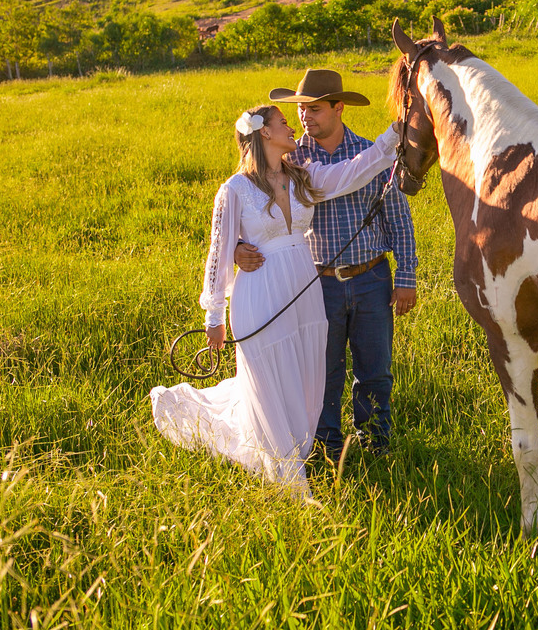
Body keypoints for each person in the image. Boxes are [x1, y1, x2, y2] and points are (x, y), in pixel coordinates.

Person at [150, 102, 400, 499]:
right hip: (260, 292)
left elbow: (354, 171)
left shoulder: (303, 176)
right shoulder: (234, 189)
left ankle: (299, 450)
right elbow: (217, 253)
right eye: (284, 122)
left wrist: (394, 135)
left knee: (305, 376)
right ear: (264, 132)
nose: (293, 127)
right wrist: (214, 317)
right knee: (269, 378)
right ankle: (289, 477)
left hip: (304, 292)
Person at [236, 68, 417, 455]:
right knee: (322, 371)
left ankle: (375, 441)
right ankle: (328, 446)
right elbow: (246, 203)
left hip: (371, 276)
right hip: (316, 282)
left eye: (314, 109)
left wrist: (406, 276)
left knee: (376, 369)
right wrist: (237, 245)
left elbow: (398, 218)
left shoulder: (369, 152)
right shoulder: (289, 158)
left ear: (339, 108)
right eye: (300, 109)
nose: (305, 117)